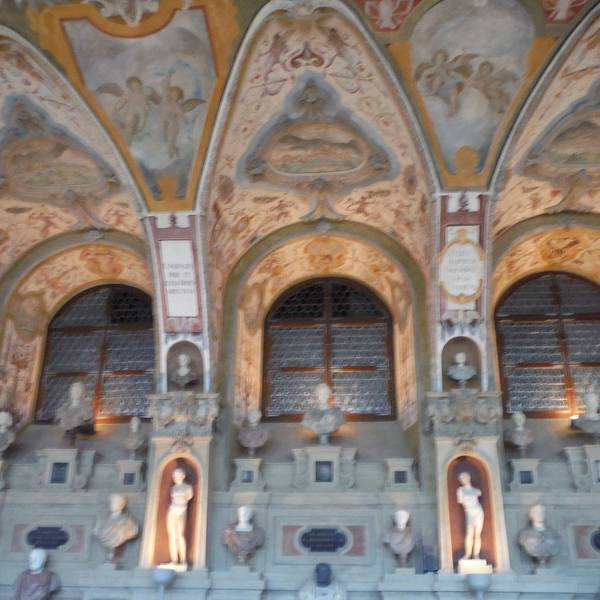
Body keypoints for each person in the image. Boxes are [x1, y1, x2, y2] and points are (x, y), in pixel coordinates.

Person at [166, 468, 194, 566]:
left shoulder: (188, 487)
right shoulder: (173, 488)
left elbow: (189, 496)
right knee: (172, 536)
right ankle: (174, 560)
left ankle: (183, 560)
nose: (176, 478)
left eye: (178, 475)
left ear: (183, 476)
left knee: (180, 535)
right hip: (172, 510)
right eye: (174, 476)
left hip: (182, 510)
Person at [456, 471, 484, 560]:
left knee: (477, 534)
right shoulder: (460, 490)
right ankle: (467, 554)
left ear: (468, 478)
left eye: (463, 478)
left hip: (478, 512)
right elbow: (460, 500)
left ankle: (476, 555)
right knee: (469, 534)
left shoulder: (476, 491)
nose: (462, 480)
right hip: (469, 512)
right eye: (461, 479)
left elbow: (479, 493)